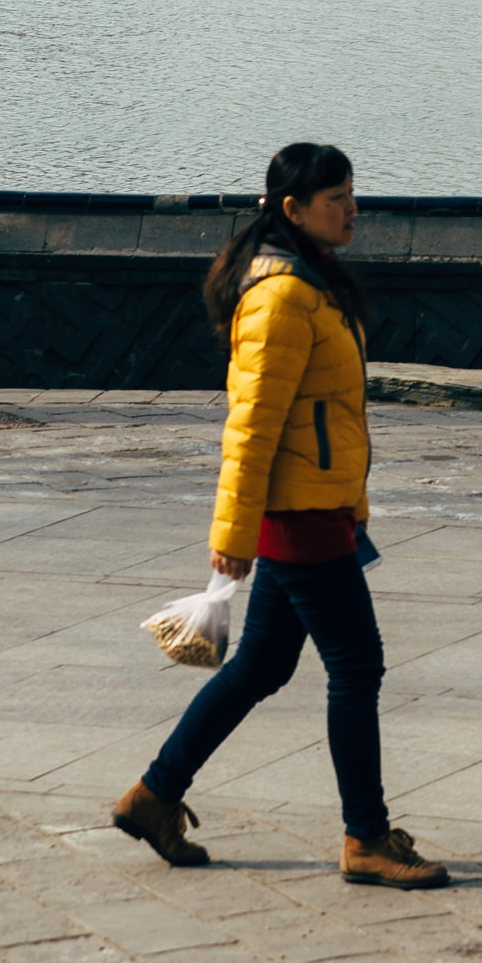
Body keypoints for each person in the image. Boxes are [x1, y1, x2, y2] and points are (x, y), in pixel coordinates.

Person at [113, 143, 449, 889]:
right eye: (336, 197)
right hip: (298, 515)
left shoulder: (310, 280)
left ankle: (154, 796)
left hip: (316, 506)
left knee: (262, 667)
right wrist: (230, 539)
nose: (352, 207)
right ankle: (365, 838)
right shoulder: (281, 296)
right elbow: (252, 425)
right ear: (291, 210)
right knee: (357, 666)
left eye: (353, 192)